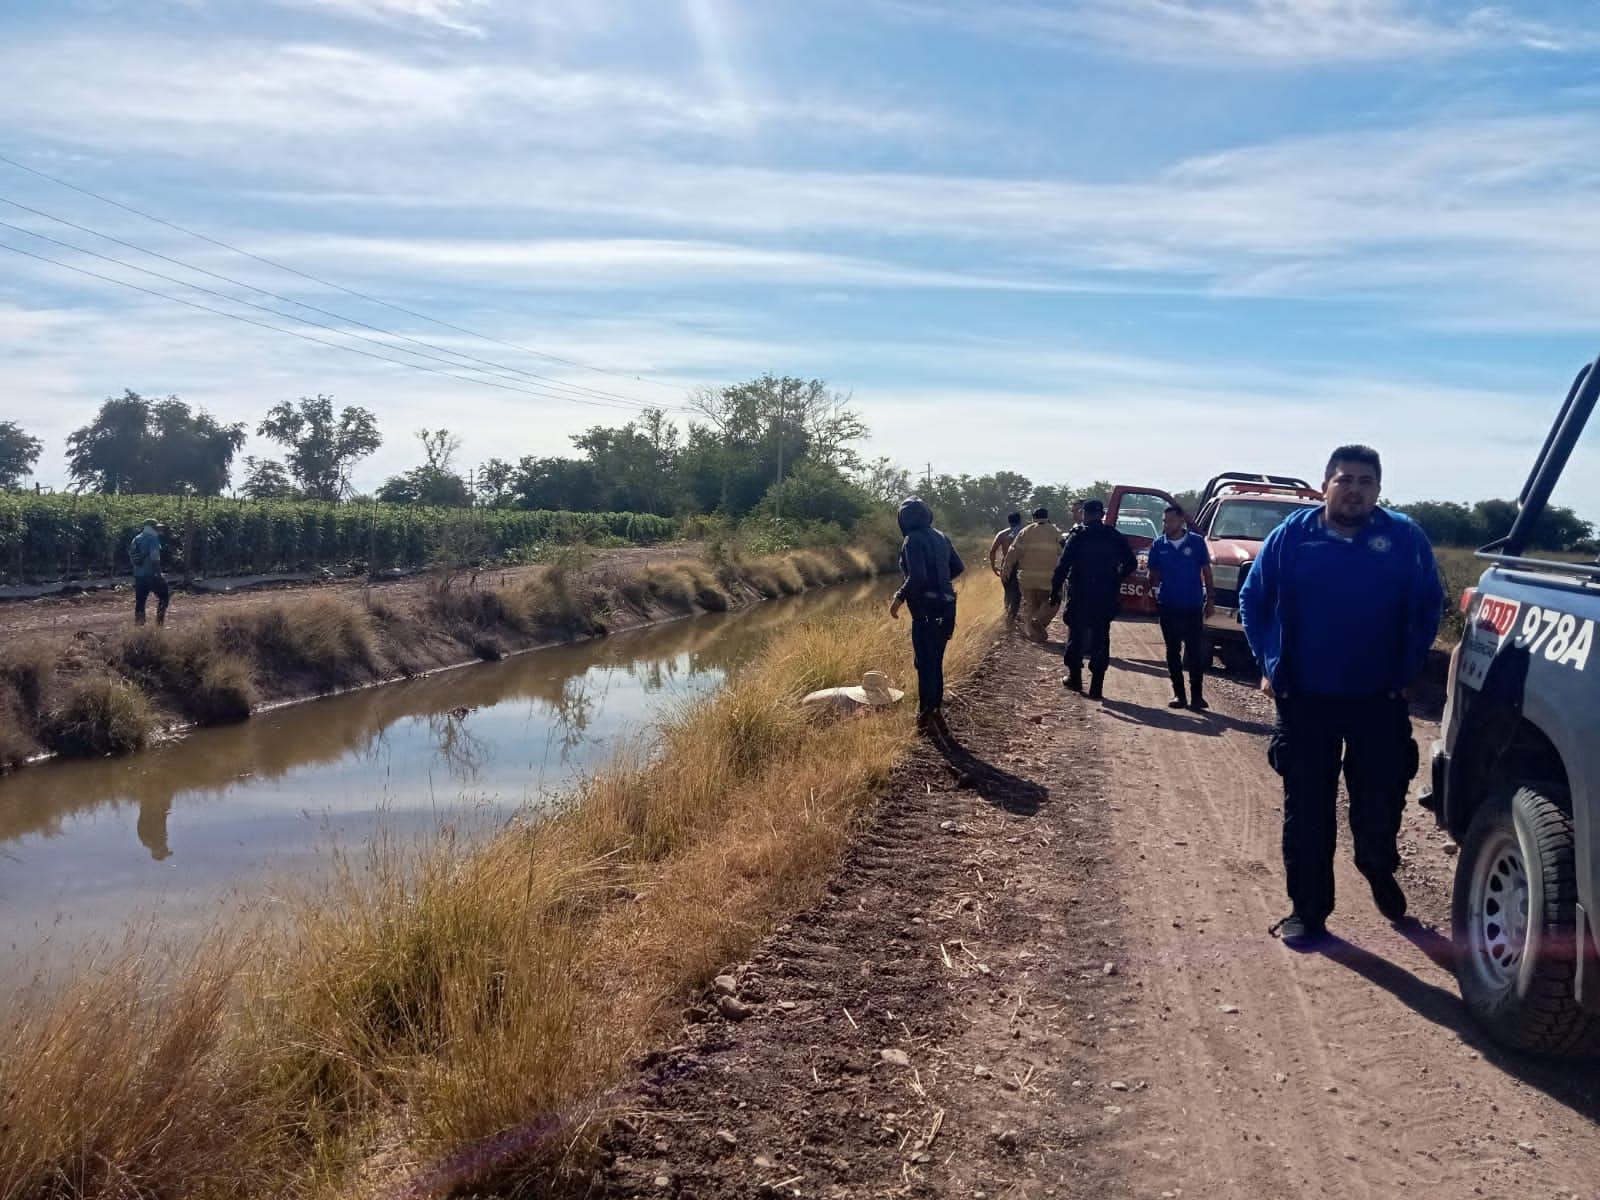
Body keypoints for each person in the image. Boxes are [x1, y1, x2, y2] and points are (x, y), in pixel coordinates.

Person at [1239, 445, 1443, 948]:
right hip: (1305, 697)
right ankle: (1309, 912)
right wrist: (1269, 662)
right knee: (1307, 809)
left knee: (1380, 801)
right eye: (1345, 479)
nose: (1355, 489)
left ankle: (1376, 865)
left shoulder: (1403, 537)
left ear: (1378, 489)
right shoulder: (1293, 536)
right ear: (1325, 484)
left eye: (1366, 482)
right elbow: (1253, 599)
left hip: (1379, 697)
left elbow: (1428, 604)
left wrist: (1408, 668)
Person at [889, 497, 965, 739]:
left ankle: (924, 718)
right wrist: (940, 582)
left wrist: (899, 597)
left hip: (926, 610)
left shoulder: (911, 539)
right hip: (948, 607)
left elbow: (917, 576)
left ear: (903, 519)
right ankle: (935, 709)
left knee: (924, 664)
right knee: (936, 661)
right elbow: (957, 567)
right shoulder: (940, 536)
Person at [1050, 498, 1137, 699]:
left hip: (1080, 592)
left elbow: (1063, 566)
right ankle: (1097, 685)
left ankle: (1075, 678)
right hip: (1105, 594)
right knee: (1101, 637)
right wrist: (1116, 577)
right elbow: (1131, 563)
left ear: (1084, 514)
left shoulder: (1078, 536)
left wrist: (1054, 591)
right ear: (1102, 515)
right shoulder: (1114, 536)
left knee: (1076, 635)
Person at [1146, 504, 1215, 710]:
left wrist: (1210, 599)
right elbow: (1153, 575)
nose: (1167, 525)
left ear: (1181, 521)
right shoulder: (1159, 545)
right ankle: (1179, 694)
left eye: (1171, 521)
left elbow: (1207, 572)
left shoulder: (1196, 542)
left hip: (1192, 605)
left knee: (1194, 651)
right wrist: (1150, 589)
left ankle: (1197, 696)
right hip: (1168, 605)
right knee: (1172, 651)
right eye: (1164, 521)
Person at [1001, 507, 1065, 642]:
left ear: (1033, 518)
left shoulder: (1025, 531)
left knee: (1031, 606)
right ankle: (1039, 622)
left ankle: (1034, 635)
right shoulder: (1055, 531)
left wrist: (1006, 569)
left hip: (1026, 580)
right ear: (1047, 517)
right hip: (1048, 579)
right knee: (1051, 604)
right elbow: (1064, 552)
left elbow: (1013, 552)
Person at [129, 519, 170, 627]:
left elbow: (132, 558)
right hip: (151, 575)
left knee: (140, 602)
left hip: (138, 575)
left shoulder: (136, 539)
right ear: (151, 527)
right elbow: (155, 559)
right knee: (164, 596)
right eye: (156, 527)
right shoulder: (153, 539)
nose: (158, 529)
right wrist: (159, 575)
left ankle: (139, 627)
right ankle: (159, 625)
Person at [988, 512, 1024, 626]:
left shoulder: (1002, 534)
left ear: (1009, 521)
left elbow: (992, 551)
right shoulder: (1025, 533)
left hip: (1006, 564)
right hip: (1021, 565)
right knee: (1017, 592)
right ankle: (1011, 617)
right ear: (1020, 520)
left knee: (1008, 590)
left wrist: (993, 566)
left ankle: (1008, 614)